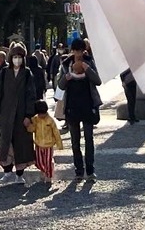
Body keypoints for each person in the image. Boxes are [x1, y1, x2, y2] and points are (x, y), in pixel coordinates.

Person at [0, 41, 36, 185]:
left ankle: (20, 174)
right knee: (5, 142)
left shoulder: (27, 73)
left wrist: (28, 115)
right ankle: (7, 171)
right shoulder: (4, 73)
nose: (17, 60)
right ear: (10, 58)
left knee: (21, 144)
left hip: (21, 114)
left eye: (20, 57)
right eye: (15, 57)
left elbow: (31, 95)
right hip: (6, 113)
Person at [57, 46, 101, 181]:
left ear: (83, 51)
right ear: (73, 51)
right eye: (76, 51)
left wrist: (87, 69)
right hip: (72, 108)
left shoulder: (89, 62)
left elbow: (98, 81)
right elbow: (60, 85)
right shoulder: (66, 64)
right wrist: (66, 77)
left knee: (89, 139)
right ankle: (79, 171)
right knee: (75, 141)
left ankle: (90, 170)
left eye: (80, 51)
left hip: (88, 106)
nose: (78, 54)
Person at [29, 100, 62, 184]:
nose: (41, 115)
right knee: (39, 162)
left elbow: (56, 132)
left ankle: (49, 176)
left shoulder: (50, 120)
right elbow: (32, 129)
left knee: (47, 161)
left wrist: (59, 144)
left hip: (49, 144)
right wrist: (28, 126)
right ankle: (44, 170)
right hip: (38, 144)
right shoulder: (35, 119)